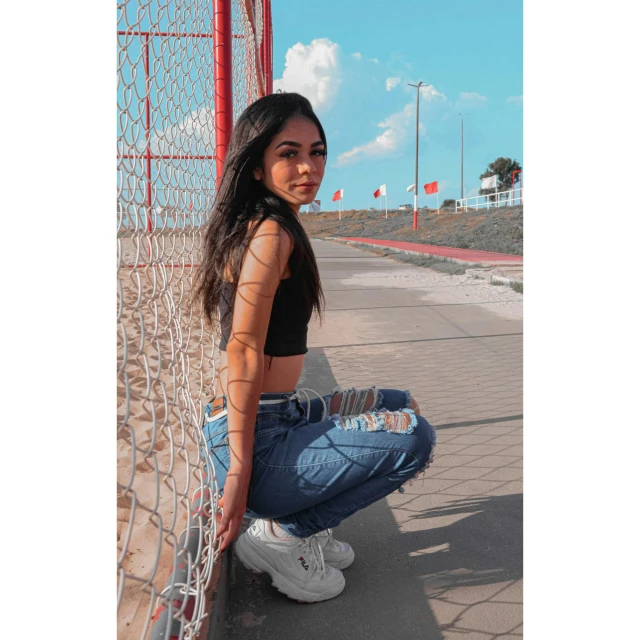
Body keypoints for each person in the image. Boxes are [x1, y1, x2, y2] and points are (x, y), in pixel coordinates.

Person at [194, 92, 436, 604]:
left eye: (317, 151)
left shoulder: (274, 224)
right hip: (257, 441)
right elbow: (242, 350)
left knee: (396, 403)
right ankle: (284, 536)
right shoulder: (270, 234)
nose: (308, 166)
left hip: (282, 414)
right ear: (257, 166)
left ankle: (300, 522)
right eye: (288, 153)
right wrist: (240, 470)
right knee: (413, 436)